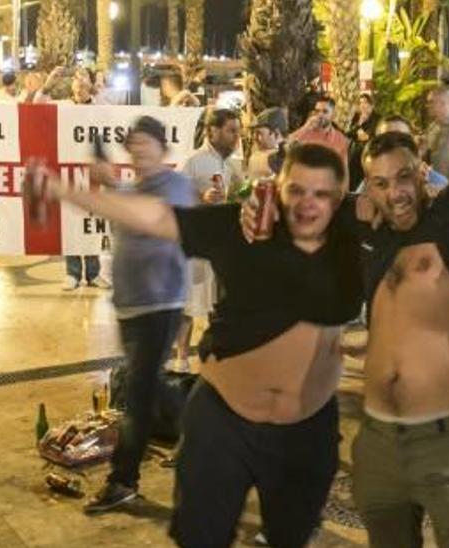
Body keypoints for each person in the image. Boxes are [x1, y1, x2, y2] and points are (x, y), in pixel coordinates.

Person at [39, 142, 360, 546]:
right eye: (296, 190)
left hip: (306, 430)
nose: (308, 204)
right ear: (276, 187)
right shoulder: (239, 227)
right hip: (224, 423)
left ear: (340, 198)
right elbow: (156, 217)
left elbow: (418, 205)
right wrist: (63, 190)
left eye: (321, 194)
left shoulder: (354, 237)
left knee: (290, 538)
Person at [30, 117, 195, 516]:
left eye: (145, 143)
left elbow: (143, 214)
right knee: (147, 389)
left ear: (163, 148)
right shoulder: (134, 188)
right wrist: (109, 182)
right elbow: (126, 203)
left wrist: (59, 187)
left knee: (137, 397)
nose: (138, 150)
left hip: (159, 307)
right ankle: (207, 430)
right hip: (132, 308)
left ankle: (123, 481)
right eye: (132, 144)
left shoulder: (174, 187)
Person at [345, 131, 449, 547]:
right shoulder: (367, 228)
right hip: (376, 442)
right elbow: (303, 203)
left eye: (404, 177)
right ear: (367, 189)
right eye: (380, 183)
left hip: (447, 442)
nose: (395, 193)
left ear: (422, 171)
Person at [174, 108, 244, 371]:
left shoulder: (231, 163)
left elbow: (238, 193)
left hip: (221, 245)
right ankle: (181, 359)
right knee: (189, 304)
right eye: (231, 131)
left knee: (219, 303)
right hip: (194, 243)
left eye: (238, 131)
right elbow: (174, 196)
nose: (236, 137)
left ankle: (219, 357)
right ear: (212, 131)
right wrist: (199, 198)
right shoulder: (193, 161)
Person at [61, 78, 109, 290]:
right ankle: (72, 273)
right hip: (69, 173)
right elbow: (38, 104)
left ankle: (93, 273)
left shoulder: (100, 107)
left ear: (90, 87)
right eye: (76, 85)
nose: (79, 89)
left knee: (91, 225)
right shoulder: (64, 106)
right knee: (70, 224)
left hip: (92, 176)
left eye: (83, 85)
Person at [371, 114, 449, 192]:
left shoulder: (438, 183)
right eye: (386, 140)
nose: (394, 145)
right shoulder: (370, 184)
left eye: (402, 139)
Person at [290, 96, 351, 168]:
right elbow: (287, 144)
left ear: (333, 115)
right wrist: (305, 127)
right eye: (317, 111)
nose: (320, 115)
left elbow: (344, 172)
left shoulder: (341, 140)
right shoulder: (305, 132)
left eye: (325, 111)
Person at [346, 93, 379, 192]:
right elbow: (349, 134)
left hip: (368, 152)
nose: (363, 105)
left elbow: (373, 136)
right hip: (354, 154)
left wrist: (365, 136)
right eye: (360, 103)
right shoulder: (357, 117)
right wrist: (360, 123)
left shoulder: (377, 118)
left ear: (371, 105)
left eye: (365, 102)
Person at [247, 107, 289, 179]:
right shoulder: (257, 154)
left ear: (276, 134)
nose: (255, 138)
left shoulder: (286, 158)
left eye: (259, 133)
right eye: (254, 133)